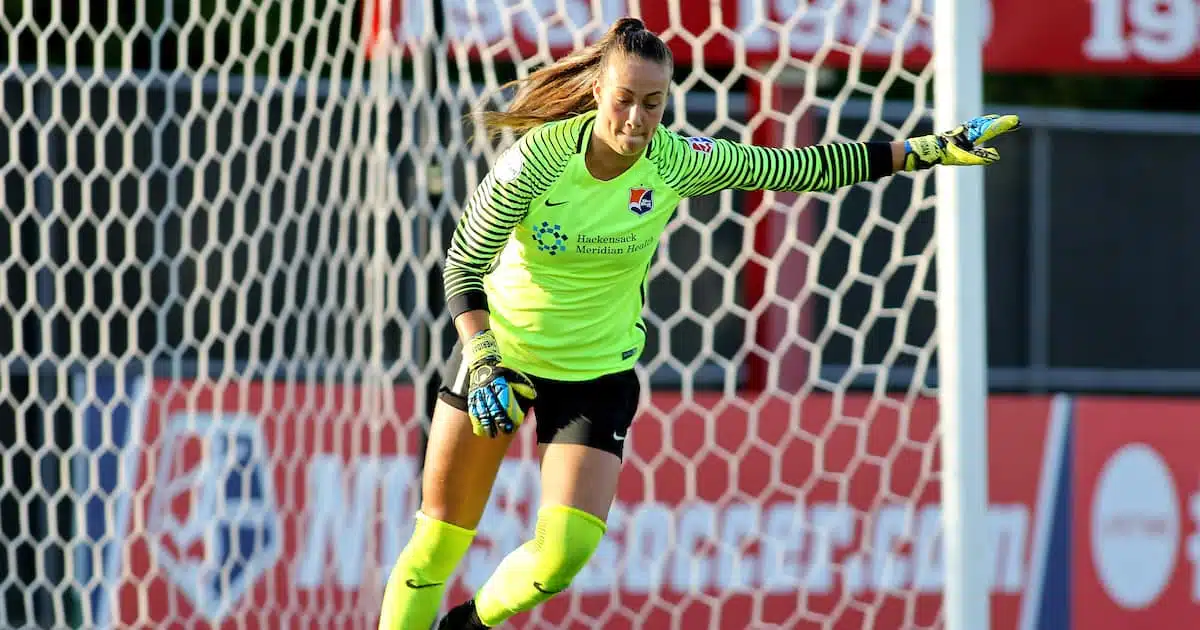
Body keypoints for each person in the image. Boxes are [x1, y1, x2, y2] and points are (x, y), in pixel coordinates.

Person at [376, 16, 1019, 630]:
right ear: (598, 88)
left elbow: (803, 167)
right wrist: (484, 357)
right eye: (625, 98)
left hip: (595, 371)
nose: (636, 119)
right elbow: (463, 266)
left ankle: (471, 623)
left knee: (561, 556)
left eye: (653, 104)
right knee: (435, 543)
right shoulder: (538, 161)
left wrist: (925, 150)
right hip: (501, 362)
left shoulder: (677, 160)